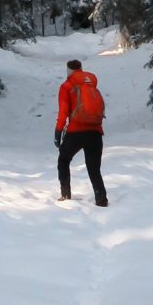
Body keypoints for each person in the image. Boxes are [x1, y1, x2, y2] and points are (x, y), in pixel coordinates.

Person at [54, 57, 108, 205]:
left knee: (64, 160)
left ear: (68, 70)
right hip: (95, 132)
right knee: (94, 168)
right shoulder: (91, 85)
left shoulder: (66, 86)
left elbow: (63, 112)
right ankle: (101, 199)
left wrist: (58, 133)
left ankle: (65, 195)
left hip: (75, 132)